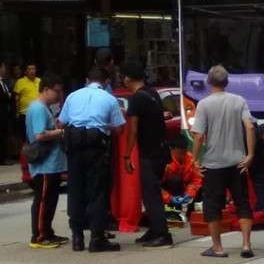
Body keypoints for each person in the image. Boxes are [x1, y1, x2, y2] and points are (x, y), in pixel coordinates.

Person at [59, 66, 126, 253]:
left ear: (87, 80)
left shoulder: (73, 96)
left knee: (76, 190)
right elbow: (120, 128)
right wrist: (105, 125)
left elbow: (61, 122)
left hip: (74, 146)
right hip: (97, 147)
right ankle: (97, 238)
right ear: (105, 83)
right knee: (98, 192)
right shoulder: (109, 99)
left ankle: (77, 238)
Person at [192, 65, 255, 258]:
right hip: (238, 162)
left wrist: (195, 159)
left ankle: (218, 248)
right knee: (242, 202)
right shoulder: (239, 101)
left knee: (213, 205)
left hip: (213, 163)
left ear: (209, 82)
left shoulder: (204, 104)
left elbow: (199, 135)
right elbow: (250, 127)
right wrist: (250, 154)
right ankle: (246, 245)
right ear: (226, 82)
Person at [122, 62, 174, 248]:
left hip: (149, 152)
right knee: (151, 192)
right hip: (160, 150)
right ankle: (154, 228)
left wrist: (127, 154)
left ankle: (162, 233)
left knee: (151, 194)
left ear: (127, 79)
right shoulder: (152, 94)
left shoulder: (136, 99)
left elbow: (133, 130)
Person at [26, 73, 68, 249]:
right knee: (43, 200)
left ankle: (47, 232)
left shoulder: (45, 109)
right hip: (44, 164)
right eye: (56, 92)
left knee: (50, 200)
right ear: (46, 89)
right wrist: (60, 132)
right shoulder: (37, 108)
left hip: (52, 164)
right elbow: (39, 135)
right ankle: (39, 236)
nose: (59, 96)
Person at [162, 134, 203, 214]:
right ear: (171, 149)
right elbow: (156, 186)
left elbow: (197, 181)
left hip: (184, 191)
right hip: (167, 193)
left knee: (204, 184)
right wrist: (169, 198)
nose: (182, 156)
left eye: (184, 153)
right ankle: (172, 211)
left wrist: (189, 193)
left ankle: (191, 214)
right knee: (176, 180)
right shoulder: (164, 161)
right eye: (179, 153)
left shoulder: (190, 159)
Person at [14, 63, 41, 142]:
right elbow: (17, 98)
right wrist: (17, 111)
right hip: (25, 113)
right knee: (25, 135)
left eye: (34, 69)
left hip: (38, 112)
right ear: (25, 71)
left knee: (37, 133)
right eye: (30, 69)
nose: (32, 71)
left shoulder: (39, 81)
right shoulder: (20, 82)